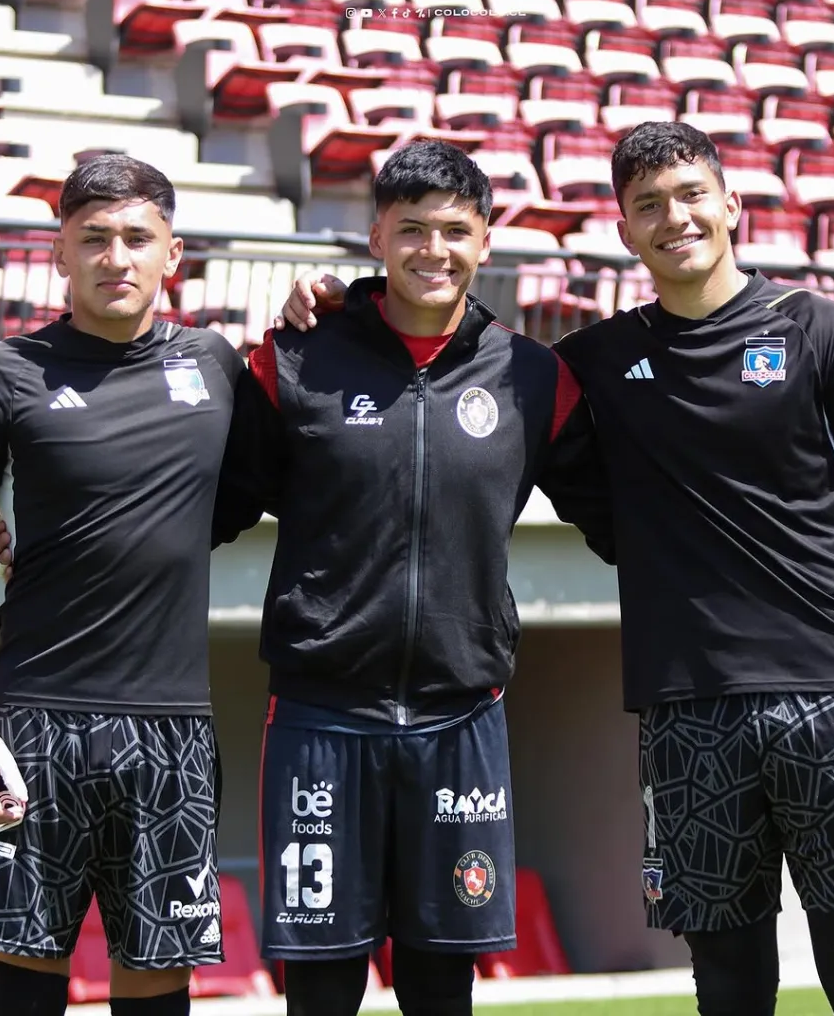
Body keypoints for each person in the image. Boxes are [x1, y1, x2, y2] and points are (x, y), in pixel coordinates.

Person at [275, 122, 834, 1016]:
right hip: (685, 714)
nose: (675, 219)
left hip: (831, 702)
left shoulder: (822, 331)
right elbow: (450, 364)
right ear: (626, 232)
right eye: (649, 207)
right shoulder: (584, 366)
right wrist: (337, 303)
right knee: (728, 989)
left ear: (732, 204)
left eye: (691, 196)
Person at [205, 139, 614, 1016]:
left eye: (456, 231)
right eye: (414, 229)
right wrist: (48, 527)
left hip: (462, 718)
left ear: (487, 240)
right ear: (376, 238)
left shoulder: (532, 376)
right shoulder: (298, 360)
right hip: (321, 716)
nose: (435, 250)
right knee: (320, 990)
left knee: (440, 987)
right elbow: (206, 507)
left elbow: (624, 517)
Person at [0, 154, 251, 1016]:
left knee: (156, 991)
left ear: (172, 254)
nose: (117, 258)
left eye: (137, 239)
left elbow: (255, 495)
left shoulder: (217, 367)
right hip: (32, 729)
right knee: (24, 988)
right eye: (94, 239)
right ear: (59, 252)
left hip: (173, 734)